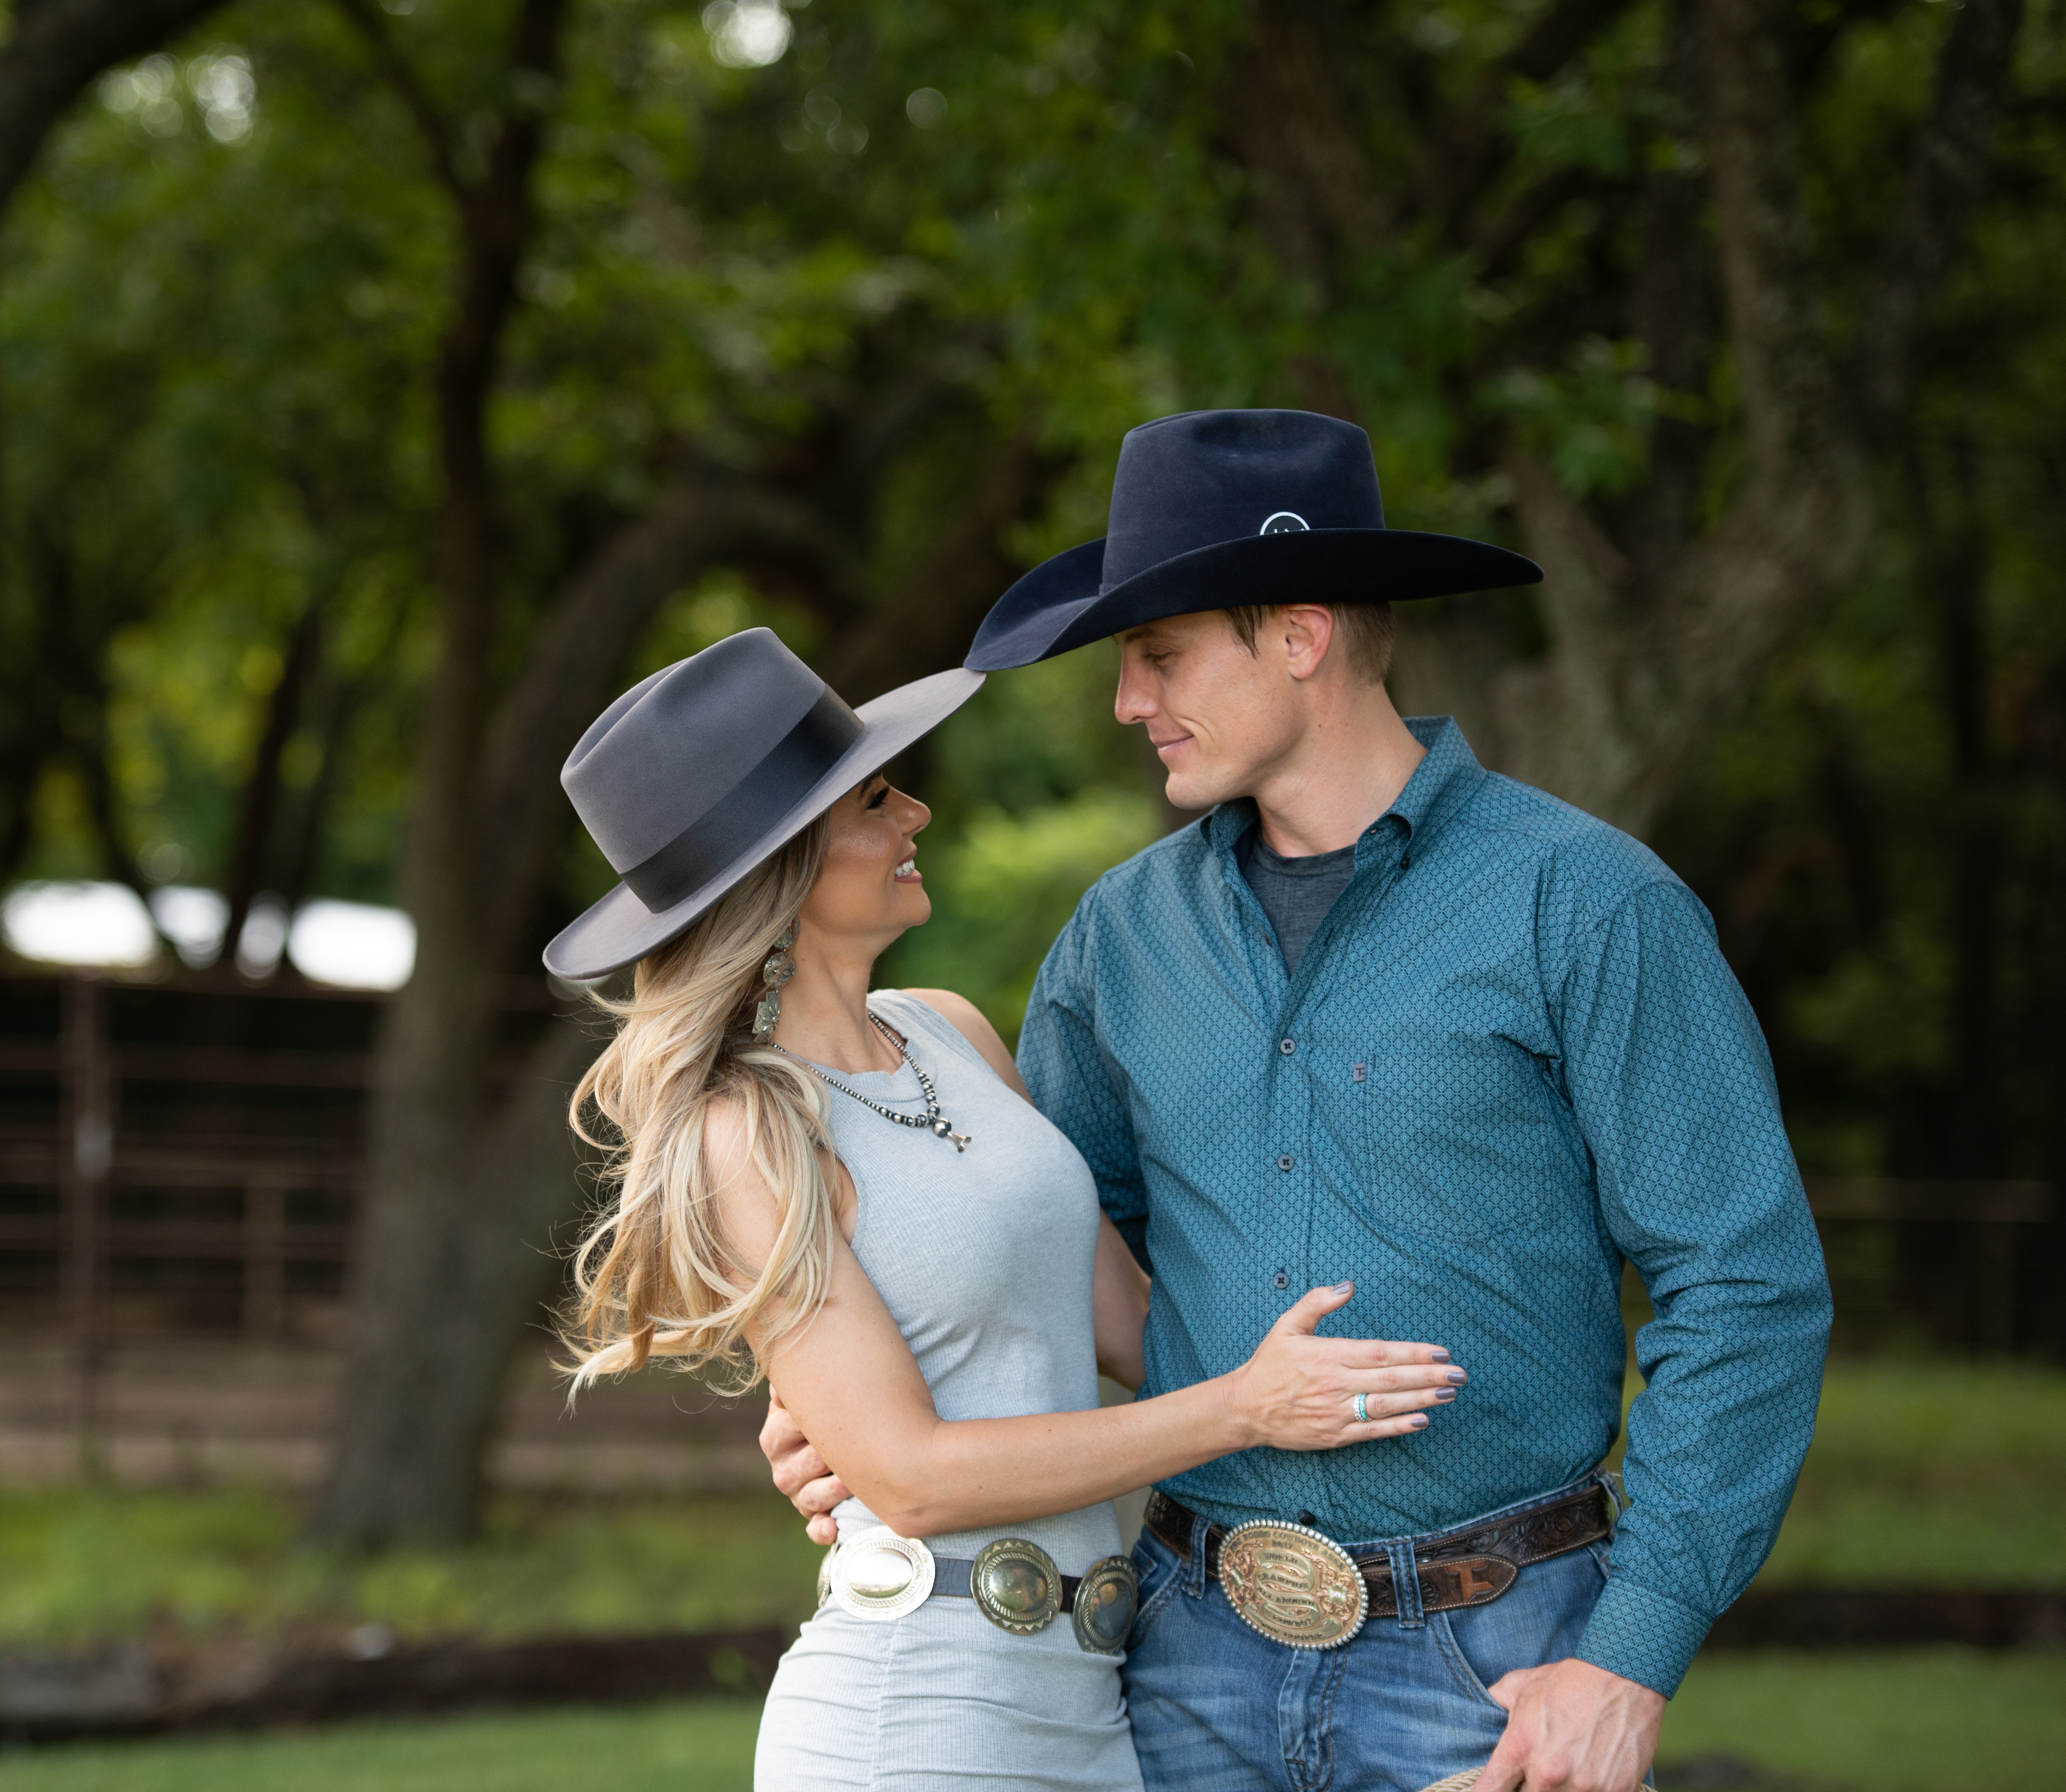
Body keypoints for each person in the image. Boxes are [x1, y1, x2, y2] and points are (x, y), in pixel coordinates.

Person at [762, 409, 1835, 1792]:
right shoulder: (1118, 939)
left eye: (1158, 654)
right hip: (1178, 1657)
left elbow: (1744, 1286)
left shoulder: (1587, 903)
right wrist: (844, 1412)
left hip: (1497, 1663)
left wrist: (1627, 1655)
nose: (1126, 700)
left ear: (1301, 635)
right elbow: (1041, 1261)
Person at [544, 626, 1464, 1791]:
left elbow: (1134, 1323)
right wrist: (1244, 1410)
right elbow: (913, 1476)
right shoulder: (748, 1127)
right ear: (779, 870)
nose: (915, 812)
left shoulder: (949, 1028)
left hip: (1092, 1696)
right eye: (876, 798)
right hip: (917, 1711)